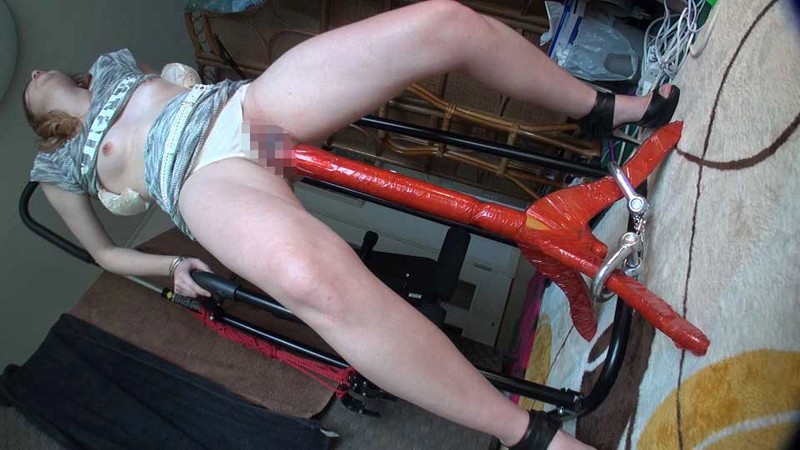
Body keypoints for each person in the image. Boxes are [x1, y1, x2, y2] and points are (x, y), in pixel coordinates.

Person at [23, 1, 679, 448]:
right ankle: (526, 434)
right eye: (30, 82)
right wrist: (172, 266)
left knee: (442, 23)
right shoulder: (56, 170)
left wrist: (274, 154)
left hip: (249, 113)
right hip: (202, 183)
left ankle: (613, 109)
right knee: (313, 284)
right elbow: (105, 256)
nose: (35, 70)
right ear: (40, 125)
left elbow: (191, 93)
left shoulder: (114, 65)